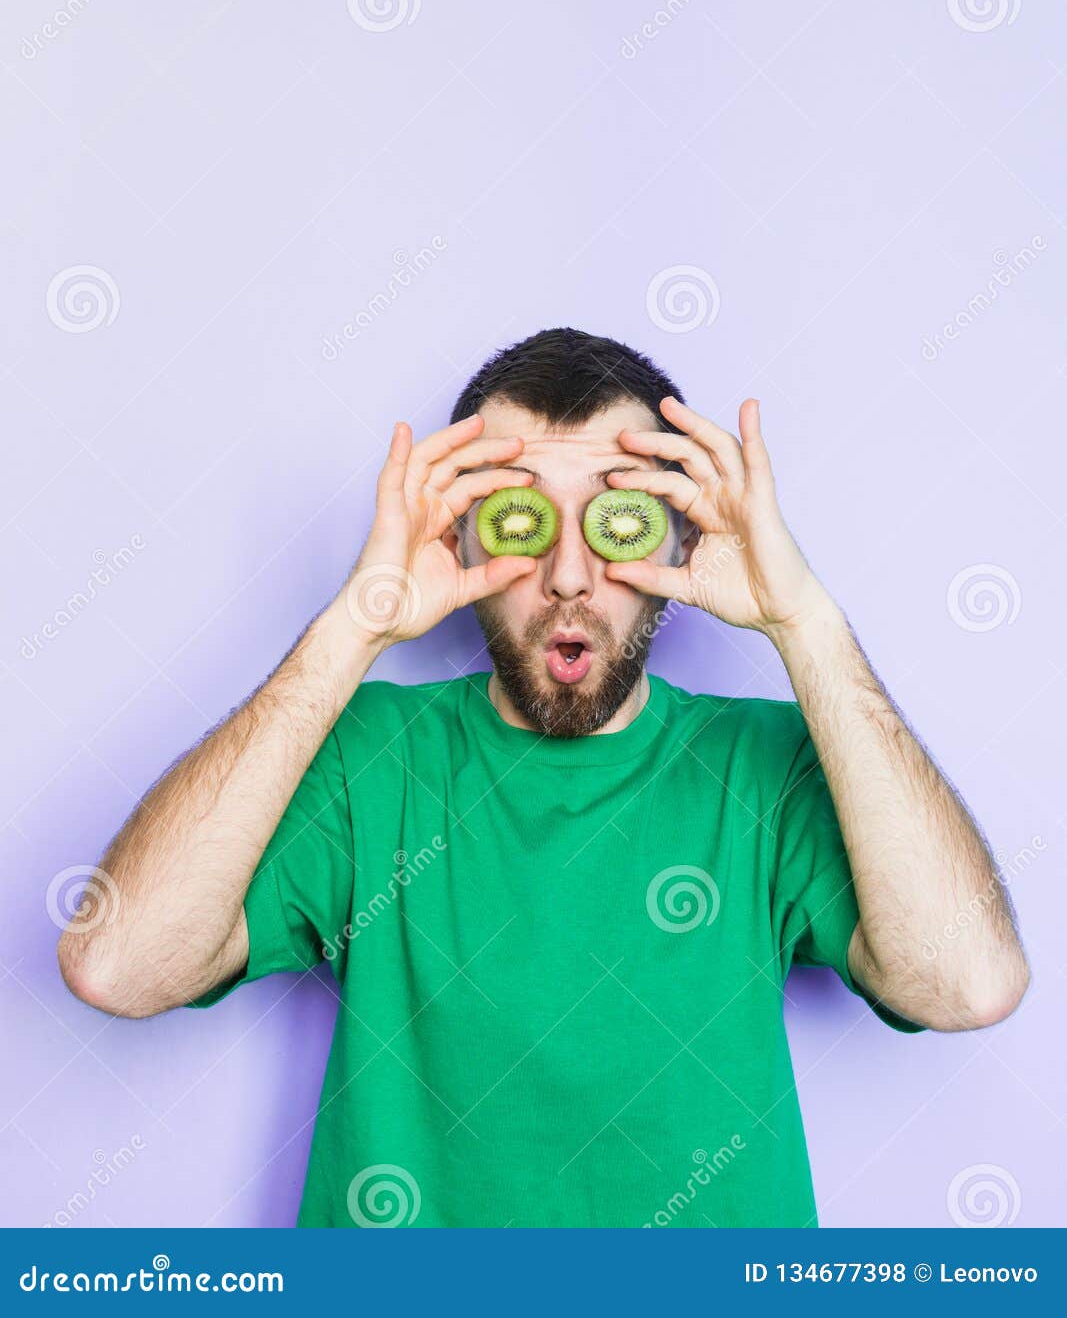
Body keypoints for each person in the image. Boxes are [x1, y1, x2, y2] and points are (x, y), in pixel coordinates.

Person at [57, 326, 1029, 1228]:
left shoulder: (764, 764)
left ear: (680, 539)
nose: (568, 573)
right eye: (522, 521)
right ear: (461, 538)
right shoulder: (367, 754)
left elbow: (965, 986)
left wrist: (802, 622)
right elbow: (120, 965)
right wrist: (352, 626)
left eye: (616, 519)